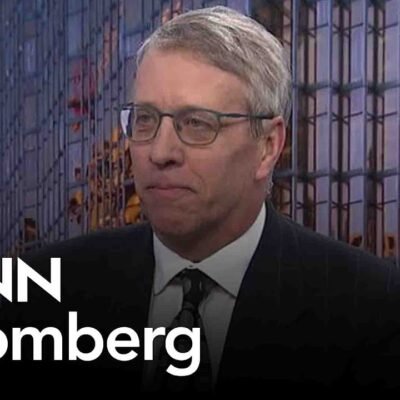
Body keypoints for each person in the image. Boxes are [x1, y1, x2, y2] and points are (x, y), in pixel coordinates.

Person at [1, 6, 400, 394]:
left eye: (196, 123)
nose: (160, 152)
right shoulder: (41, 292)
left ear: (267, 146)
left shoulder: (371, 307)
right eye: (145, 119)